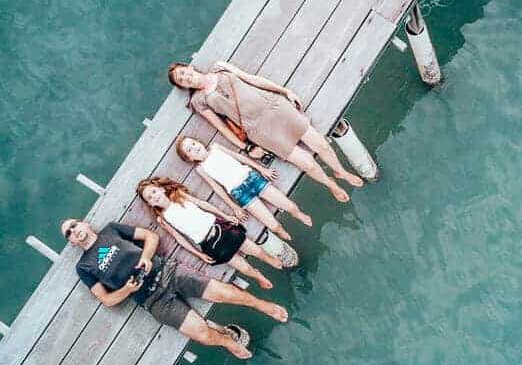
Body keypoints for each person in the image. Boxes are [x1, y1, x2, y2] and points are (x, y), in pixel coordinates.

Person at [61, 219, 289, 359]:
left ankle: (263, 305)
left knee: (224, 293)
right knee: (200, 333)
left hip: (167, 271)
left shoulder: (111, 230)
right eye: (68, 233)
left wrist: (147, 257)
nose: (73, 231)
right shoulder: (83, 267)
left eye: (74, 225)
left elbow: (150, 236)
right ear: (71, 242)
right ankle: (228, 342)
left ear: (85, 224)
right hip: (151, 299)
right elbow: (107, 300)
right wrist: (127, 290)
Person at [167, 60, 363, 203]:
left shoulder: (219, 67)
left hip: (274, 106)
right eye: (181, 80)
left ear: (190, 67)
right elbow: (221, 127)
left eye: (184, 72)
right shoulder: (198, 101)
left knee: (320, 144)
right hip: (258, 129)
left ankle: (341, 172)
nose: (186, 77)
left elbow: (251, 79)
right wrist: (246, 147)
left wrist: (284, 91)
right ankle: (331, 185)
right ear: (184, 86)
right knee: (307, 163)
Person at [136, 176, 283, 289]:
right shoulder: (163, 219)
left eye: (154, 191)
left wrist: (226, 216)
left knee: (256, 250)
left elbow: (204, 205)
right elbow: (179, 239)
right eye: (150, 197)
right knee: (243, 267)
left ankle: (269, 259)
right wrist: (198, 254)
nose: (154, 196)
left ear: (161, 189)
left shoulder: (179, 195)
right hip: (208, 243)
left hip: (220, 227)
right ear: (150, 204)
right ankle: (257, 275)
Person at [175, 135, 312, 242]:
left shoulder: (215, 147)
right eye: (189, 150)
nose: (194, 147)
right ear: (190, 158)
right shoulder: (201, 169)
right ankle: (280, 230)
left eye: (193, 143)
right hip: (240, 193)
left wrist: (261, 169)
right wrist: (234, 207)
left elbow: (240, 157)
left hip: (252, 178)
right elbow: (217, 188)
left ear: (198, 141)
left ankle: (297, 213)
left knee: (290, 206)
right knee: (273, 225)